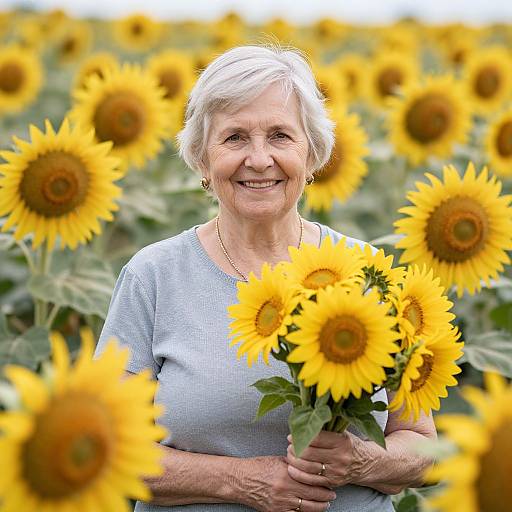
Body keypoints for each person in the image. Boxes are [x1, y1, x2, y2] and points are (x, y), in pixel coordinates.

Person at [97, 45, 436, 512]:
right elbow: (109, 451)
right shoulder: (153, 278)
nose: (259, 159)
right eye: (234, 137)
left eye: (280, 136)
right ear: (201, 157)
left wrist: (360, 461)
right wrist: (239, 480)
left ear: (313, 153)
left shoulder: (366, 273)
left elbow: (421, 447)